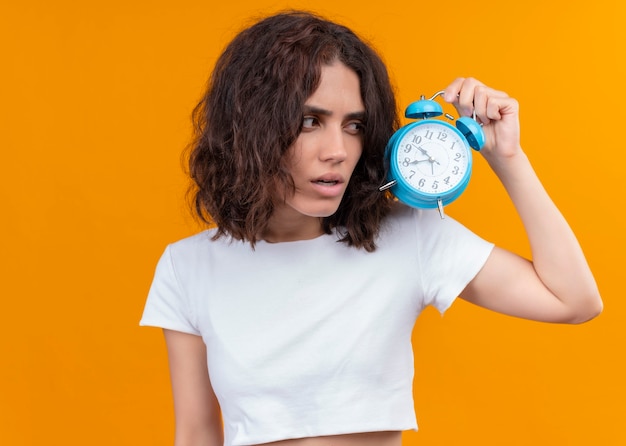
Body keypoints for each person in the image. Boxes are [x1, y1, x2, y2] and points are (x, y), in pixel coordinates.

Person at [140, 10, 602, 446]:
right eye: (309, 121)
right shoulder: (187, 266)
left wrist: (507, 158)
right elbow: (197, 434)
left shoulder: (409, 235)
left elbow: (574, 301)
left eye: (354, 125)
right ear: (249, 128)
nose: (337, 150)